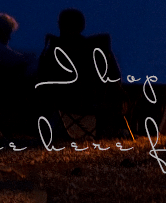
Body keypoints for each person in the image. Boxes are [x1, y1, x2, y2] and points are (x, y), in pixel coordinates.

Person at [36, 8, 126, 138]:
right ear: (82, 26)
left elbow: (42, 76)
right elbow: (114, 76)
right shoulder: (98, 48)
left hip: (61, 101)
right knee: (116, 94)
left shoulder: (52, 49)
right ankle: (108, 133)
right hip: (95, 102)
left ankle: (45, 130)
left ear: (60, 25)